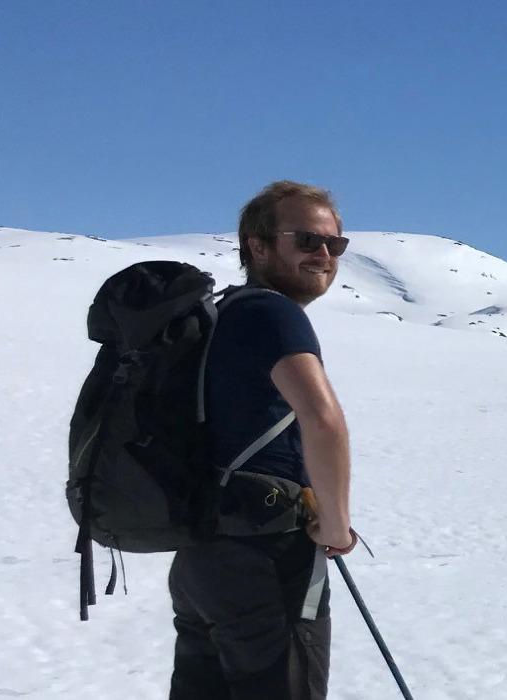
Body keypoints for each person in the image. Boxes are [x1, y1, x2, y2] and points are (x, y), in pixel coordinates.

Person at [168, 180, 357, 699]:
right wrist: (336, 525)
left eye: (334, 244)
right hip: (266, 556)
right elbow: (324, 421)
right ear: (258, 245)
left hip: (203, 555)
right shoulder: (273, 314)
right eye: (307, 240)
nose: (324, 255)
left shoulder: (223, 312)